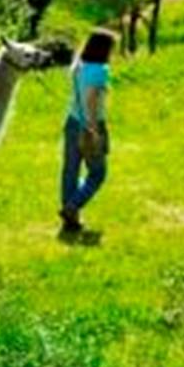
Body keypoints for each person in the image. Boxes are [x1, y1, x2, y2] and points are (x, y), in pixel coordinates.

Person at [60, 28, 116, 236]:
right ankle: (72, 207)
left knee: (70, 170)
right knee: (98, 173)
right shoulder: (100, 70)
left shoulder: (78, 66)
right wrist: (93, 129)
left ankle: (70, 220)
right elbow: (92, 98)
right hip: (90, 124)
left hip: (71, 122)